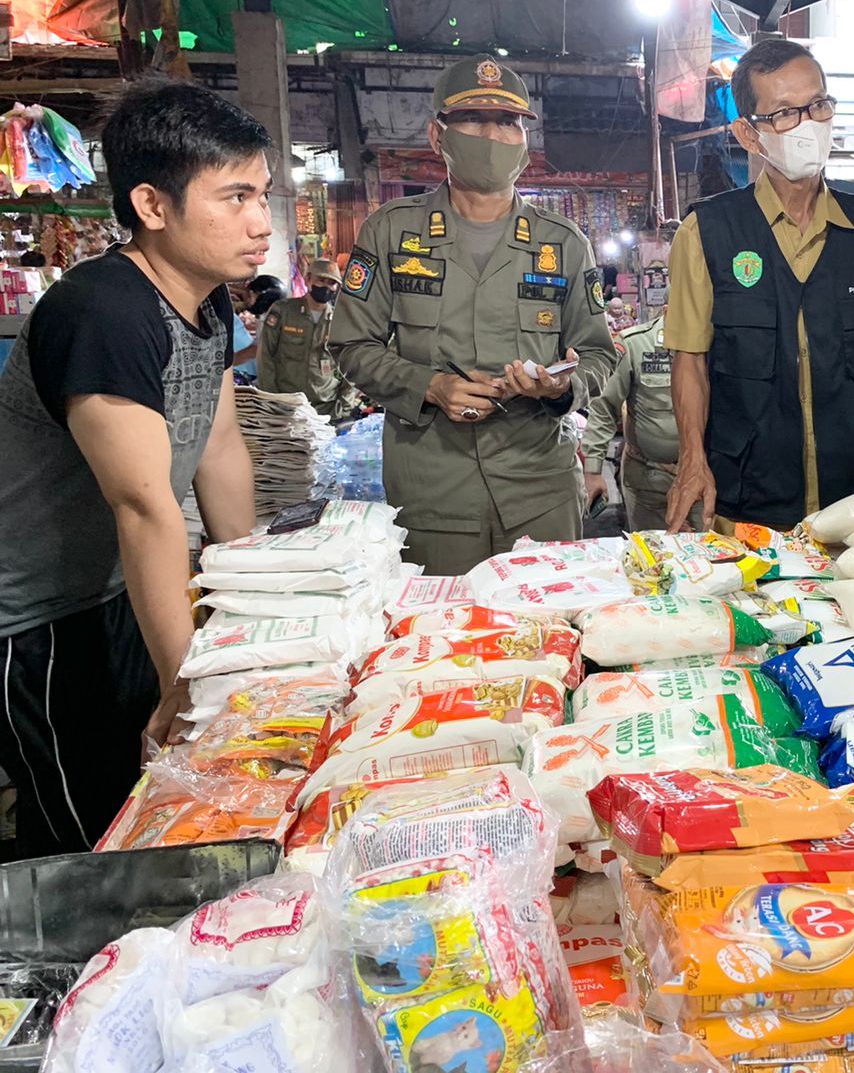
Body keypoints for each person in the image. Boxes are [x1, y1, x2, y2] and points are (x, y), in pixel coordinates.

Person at [0, 78, 262, 855]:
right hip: (38, 618)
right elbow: (144, 507)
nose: (259, 224)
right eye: (235, 197)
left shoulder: (208, 302)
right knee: (92, 839)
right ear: (152, 206)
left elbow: (219, 450)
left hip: (118, 587)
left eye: (263, 196)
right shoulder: (102, 313)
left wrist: (246, 604)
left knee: (151, 795)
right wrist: (187, 680)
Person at [330, 54, 617, 574]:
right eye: (473, 119)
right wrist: (428, 385)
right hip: (433, 490)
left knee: (548, 635)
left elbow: (598, 352)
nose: (492, 134)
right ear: (438, 136)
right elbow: (351, 345)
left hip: (540, 489)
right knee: (442, 638)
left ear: (525, 140)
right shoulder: (392, 231)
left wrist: (560, 388)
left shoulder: (564, 243)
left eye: (508, 121)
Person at [664, 37, 854, 532]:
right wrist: (692, 460)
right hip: (743, 509)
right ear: (748, 134)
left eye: (818, 105)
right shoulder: (709, 232)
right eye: (786, 114)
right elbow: (690, 361)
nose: (809, 124)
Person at [581, 306, 687, 531]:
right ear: (667, 310)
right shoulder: (636, 344)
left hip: (699, 478)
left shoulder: (715, 343)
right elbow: (605, 407)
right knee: (650, 556)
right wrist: (593, 470)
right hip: (648, 479)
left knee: (704, 557)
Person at [257, 258, 360, 418]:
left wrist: (342, 409)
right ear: (308, 279)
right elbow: (265, 356)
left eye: (331, 283)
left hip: (325, 410)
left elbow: (352, 368)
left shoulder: (342, 322)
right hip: (287, 407)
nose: (326, 286)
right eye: (321, 280)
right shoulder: (284, 311)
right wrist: (272, 401)